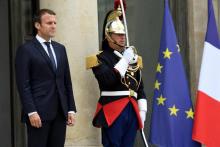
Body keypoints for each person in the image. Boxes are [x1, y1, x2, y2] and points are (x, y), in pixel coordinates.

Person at [86, 8, 147, 147]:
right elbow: (107, 80)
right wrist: (124, 61)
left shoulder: (134, 59)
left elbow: (140, 87)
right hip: (113, 109)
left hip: (132, 108)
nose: (122, 37)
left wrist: (142, 111)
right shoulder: (100, 58)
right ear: (108, 36)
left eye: (123, 34)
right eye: (118, 34)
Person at [15, 9, 76, 147]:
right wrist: (31, 112)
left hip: (60, 113)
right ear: (37, 25)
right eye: (49, 23)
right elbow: (23, 85)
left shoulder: (61, 49)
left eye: (55, 22)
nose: (53, 26)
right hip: (38, 113)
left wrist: (70, 109)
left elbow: (67, 81)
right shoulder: (26, 50)